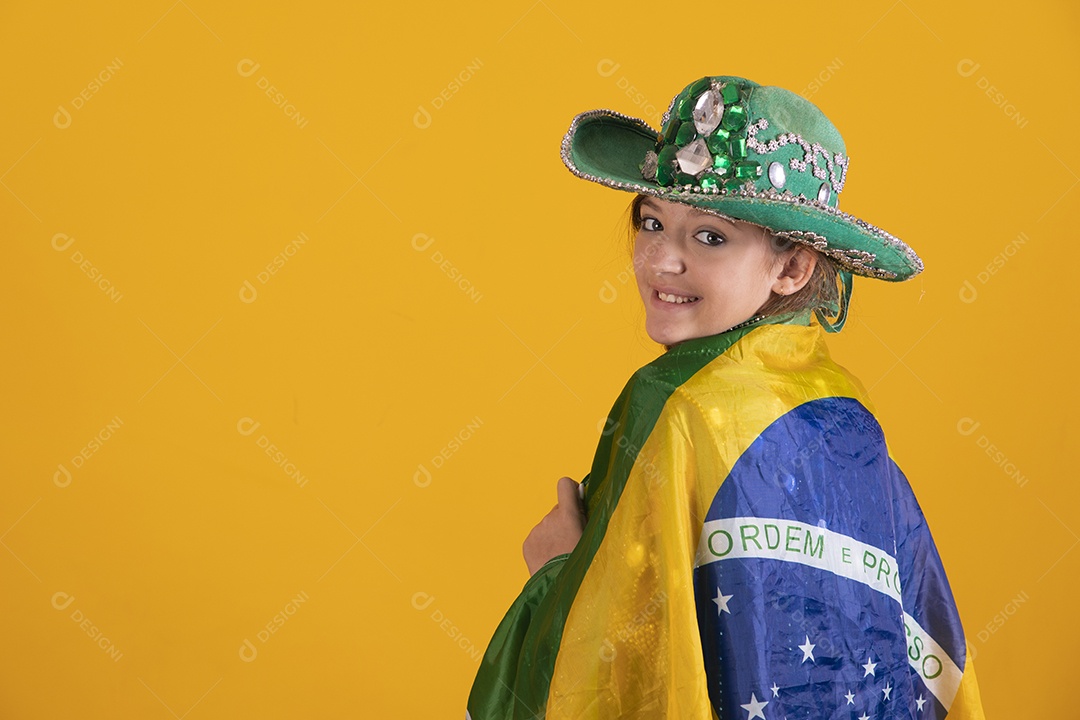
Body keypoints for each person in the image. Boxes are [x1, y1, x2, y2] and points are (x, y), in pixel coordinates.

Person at [466, 75, 986, 720]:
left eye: (709, 237)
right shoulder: (845, 412)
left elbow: (622, 664)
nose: (662, 260)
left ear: (792, 268)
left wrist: (555, 573)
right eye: (652, 222)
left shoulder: (679, 404)